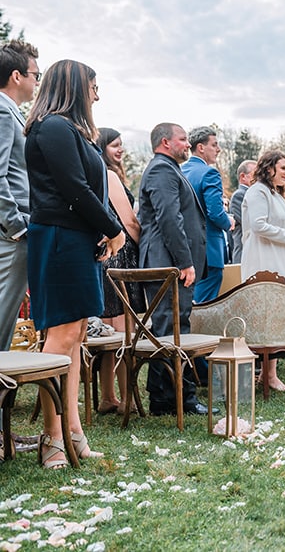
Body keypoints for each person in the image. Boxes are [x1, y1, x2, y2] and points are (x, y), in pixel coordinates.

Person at [24, 59, 125, 467]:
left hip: (78, 240)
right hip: (59, 239)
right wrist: (114, 228)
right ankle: (52, 438)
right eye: (93, 86)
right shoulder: (53, 127)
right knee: (62, 338)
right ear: (73, 85)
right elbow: (74, 189)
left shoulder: (72, 130)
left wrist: (101, 230)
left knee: (78, 337)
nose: (97, 95)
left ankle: (73, 431)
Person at [138, 123, 210, 417]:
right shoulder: (161, 170)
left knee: (171, 329)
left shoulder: (169, 169)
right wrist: (184, 261)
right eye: (183, 140)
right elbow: (169, 218)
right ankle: (181, 398)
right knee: (173, 332)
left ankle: (163, 398)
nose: (187, 145)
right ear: (166, 142)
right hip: (167, 263)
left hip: (168, 262)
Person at [240, 150, 285, 392]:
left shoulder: (276, 194)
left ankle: (269, 374)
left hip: (281, 260)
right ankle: (266, 375)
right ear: (269, 169)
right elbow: (258, 225)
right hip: (264, 260)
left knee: (277, 318)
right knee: (267, 318)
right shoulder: (257, 191)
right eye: (283, 168)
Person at [96, 127, 144, 415]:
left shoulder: (96, 173)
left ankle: (108, 397)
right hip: (122, 257)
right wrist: (145, 250)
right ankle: (126, 399)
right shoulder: (109, 175)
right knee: (124, 331)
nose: (121, 150)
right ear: (102, 147)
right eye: (115, 145)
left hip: (105, 258)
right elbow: (130, 222)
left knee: (108, 334)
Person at [0, 40, 38, 351]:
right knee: (3, 313)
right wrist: (16, 226)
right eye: (34, 74)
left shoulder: (13, 113)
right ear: (16, 76)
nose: (36, 81)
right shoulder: (2, 111)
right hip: (11, 233)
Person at [181, 126, 234, 303]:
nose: (218, 149)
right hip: (209, 251)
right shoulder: (209, 173)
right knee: (205, 305)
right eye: (215, 145)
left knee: (187, 302)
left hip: (183, 250)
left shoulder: (179, 171)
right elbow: (216, 213)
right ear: (201, 147)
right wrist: (229, 221)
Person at [229, 159, 256, 264]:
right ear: (243, 176)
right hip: (244, 252)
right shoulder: (239, 195)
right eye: (255, 174)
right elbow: (250, 223)